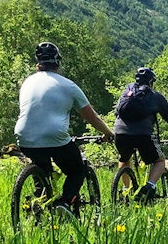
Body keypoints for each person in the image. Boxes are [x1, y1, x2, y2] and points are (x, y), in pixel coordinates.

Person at [14, 42, 113, 216]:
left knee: (42, 169)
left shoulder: (27, 82)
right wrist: (108, 133)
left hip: (24, 135)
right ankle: (64, 203)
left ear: (38, 63)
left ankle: (41, 201)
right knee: (77, 171)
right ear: (58, 62)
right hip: (54, 137)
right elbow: (93, 118)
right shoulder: (68, 86)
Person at [113, 67, 168, 202]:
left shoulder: (126, 92)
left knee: (124, 158)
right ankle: (149, 187)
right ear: (151, 82)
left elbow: (117, 112)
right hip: (143, 134)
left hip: (120, 132)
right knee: (159, 160)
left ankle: (125, 191)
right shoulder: (155, 96)